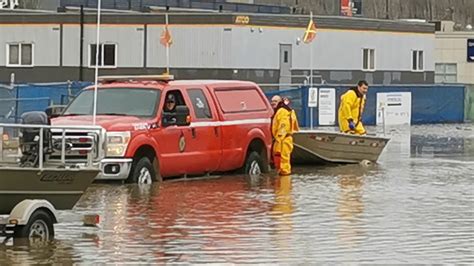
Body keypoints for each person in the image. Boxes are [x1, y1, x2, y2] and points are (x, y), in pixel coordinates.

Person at [271, 95, 300, 176]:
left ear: (280, 102)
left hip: (283, 140)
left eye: (275, 101)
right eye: (272, 101)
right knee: (279, 159)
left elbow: (284, 125)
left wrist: (279, 138)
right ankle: (282, 179)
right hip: (282, 139)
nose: (272, 103)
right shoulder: (280, 111)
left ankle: (285, 181)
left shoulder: (282, 111)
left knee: (283, 161)